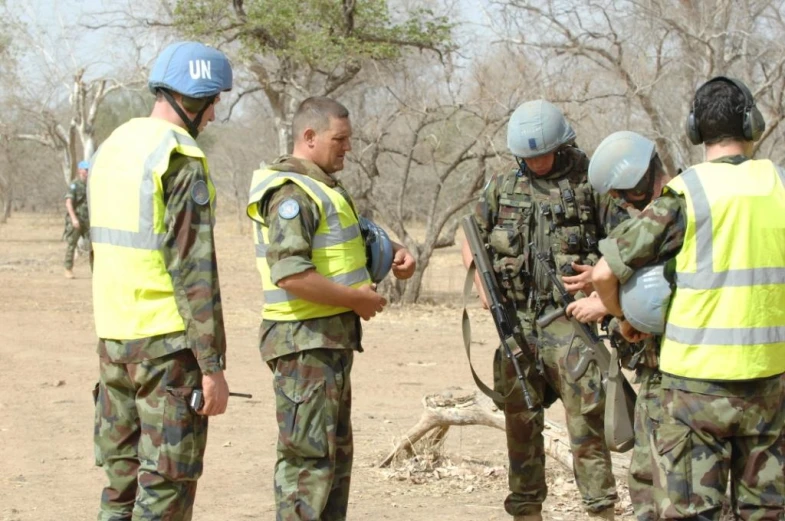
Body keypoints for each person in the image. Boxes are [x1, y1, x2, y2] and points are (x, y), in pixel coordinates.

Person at [592, 76, 785, 520]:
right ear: (751, 122)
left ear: (695, 129)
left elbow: (605, 271)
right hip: (769, 387)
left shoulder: (686, 194)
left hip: (694, 391)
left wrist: (624, 318)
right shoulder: (778, 183)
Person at [246, 96, 416, 521]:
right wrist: (356, 299)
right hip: (304, 347)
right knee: (308, 465)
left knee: (333, 463)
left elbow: (348, 240)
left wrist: (394, 251)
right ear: (309, 137)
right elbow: (291, 274)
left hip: (327, 345)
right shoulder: (291, 194)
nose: (347, 148)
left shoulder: (322, 187)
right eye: (339, 139)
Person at [88, 41, 234, 520]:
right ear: (198, 99)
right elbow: (195, 269)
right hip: (167, 348)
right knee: (167, 486)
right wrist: (211, 366)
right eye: (214, 103)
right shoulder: (178, 156)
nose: (213, 115)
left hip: (114, 339)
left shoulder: (112, 148)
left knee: (120, 483)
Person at [461, 100, 618, 521]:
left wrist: (603, 292)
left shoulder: (593, 185)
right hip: (517, 325)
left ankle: (600, 510)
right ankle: (526, 511)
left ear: (564, 144)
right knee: (520, 425)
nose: (536, 163)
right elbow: (470, 236)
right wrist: (482, 284)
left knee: (587, 426)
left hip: (571, 324)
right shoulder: (502, 186)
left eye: (543, 154)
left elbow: (628, 243)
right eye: (528, 157)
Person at [564, 130, 674, 521]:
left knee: (653, 481)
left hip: (673, 369)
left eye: (621, 195)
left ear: (638, 184)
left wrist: (612, 310)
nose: (619, 204)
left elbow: (616, 273)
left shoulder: (667, 211)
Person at [63, 159, 90, 279]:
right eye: (86, 170)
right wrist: (74, 219)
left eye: (89, 170)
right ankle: (68, 269)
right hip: (77, 219)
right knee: (71, 245)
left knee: (93, 246)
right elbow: (68, 203)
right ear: (80, 171)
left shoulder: (91, 185)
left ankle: (95, 270)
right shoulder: (75, 185)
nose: (88, 172)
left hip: (88, 220)